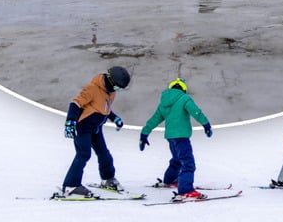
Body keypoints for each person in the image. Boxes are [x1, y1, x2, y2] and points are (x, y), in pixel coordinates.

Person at [60, 66, 131, 197]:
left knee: (104, 154)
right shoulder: (92, 88)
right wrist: (70, 122)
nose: (117, 91)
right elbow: (75, 104)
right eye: (116, 87)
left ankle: (108, 179)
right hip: (83, 127)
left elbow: (104, 108)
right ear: (110, 81)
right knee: (83, 154)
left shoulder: (111, 92)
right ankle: (70, 185)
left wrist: (114, 118)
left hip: (96, 128)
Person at [140, 78, 213, 202]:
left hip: (171, 137)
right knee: (188, 163)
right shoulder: (185, 98)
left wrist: (144, 134)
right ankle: (186, 190)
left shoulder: (164, 103)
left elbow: (154, 119)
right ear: (183, 89)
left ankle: (169, 180)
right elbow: (196, 112)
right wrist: (206, 125)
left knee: (177, 160)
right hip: (182, 137)